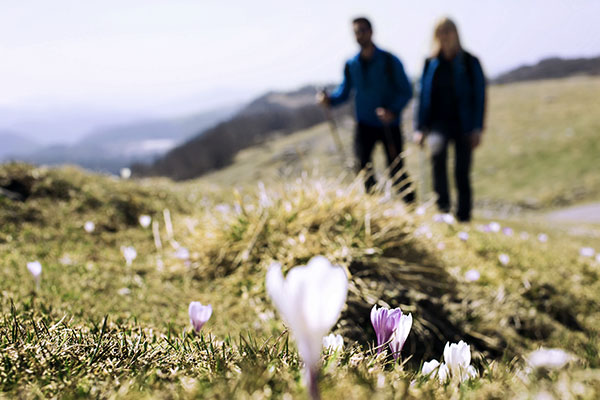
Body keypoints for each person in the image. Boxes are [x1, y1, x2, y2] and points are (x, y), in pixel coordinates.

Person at [317, 17, 415, 203]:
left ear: (371, 31)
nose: (359, 35)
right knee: (362, 167)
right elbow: (344, 92)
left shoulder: (389, 61)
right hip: (364, 124)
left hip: (389, 124)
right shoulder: (351, 64)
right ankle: (373, 208)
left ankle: (410, 206)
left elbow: (406, 91)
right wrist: (329, 100)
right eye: (356, 32)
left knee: (396, 169)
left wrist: (392, 110)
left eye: (362, 30)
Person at [414, 17, 486, 222]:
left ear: (456, 33)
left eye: (448, 31)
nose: (445, 36)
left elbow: (480, 96)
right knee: (437, 157)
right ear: (435, 36)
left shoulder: (470, 62)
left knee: (461, 170)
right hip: (438, 123)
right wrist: (419, 128)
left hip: (464, 123)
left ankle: (464, 216)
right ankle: (443, 210)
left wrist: (477, 128)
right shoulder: (430, 63)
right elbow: (422, 97)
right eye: (441, 32)